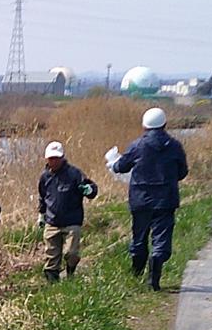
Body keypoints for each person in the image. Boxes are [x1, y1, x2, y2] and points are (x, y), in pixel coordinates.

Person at [108, 107, 190, 290]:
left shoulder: (137, 145)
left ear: (144, 126)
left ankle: (136, 273)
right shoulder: (175, 146)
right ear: (164, 124)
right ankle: (155, 271)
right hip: (165, 200)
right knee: (161, 239)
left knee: (139, 237)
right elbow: (183, 172)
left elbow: (122, 166)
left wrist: (113, 164)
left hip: (140, 199)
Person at [36, 141, 97, 282]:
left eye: (57, 158)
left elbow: (91, 188)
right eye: (51, 158)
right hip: (52, 222)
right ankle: (53, 285)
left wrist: (90, 190)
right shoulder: (44, 177)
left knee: (72, 253)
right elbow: (42, 196)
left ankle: (70, 275)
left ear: (63, 157)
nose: (54, 161)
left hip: (72, 221)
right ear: (46, 159)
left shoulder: (74, 173)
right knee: (51, 256)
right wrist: (41, 214)